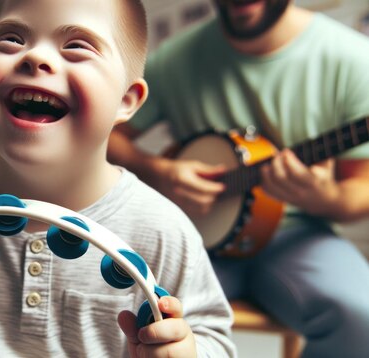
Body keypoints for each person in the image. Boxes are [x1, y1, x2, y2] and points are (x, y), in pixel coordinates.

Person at [0, 0, 237, 357]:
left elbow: (214, 337)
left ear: (127, 101)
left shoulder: (162, 229)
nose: (35, 56)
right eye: (11, 38)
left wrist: (187, 350)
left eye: (77, 46)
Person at [108, 1, 369, 357]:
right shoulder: (177, 58)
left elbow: (361, 188)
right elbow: (109, 134)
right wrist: (160, 172)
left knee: (360, 315)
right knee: (124, 306)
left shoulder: (353, 59)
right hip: (194, 237)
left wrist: (323, 197)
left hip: (296, 235)